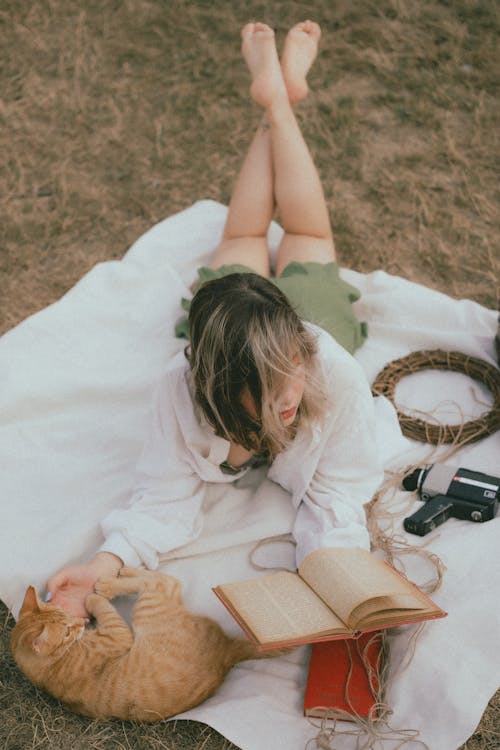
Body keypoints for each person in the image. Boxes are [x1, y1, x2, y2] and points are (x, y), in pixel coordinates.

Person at [47, 21, 383, 618]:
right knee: (246, 233)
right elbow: (161, 496)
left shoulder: (330, 374)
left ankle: (279, 96)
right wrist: (104, 566)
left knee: (304, 234)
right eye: (268, 397)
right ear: (219, 390)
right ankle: (278, 97)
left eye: (290, 382)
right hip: (231, 316)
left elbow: (340, 490)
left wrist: (336, 571)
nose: (288, 405)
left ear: (303, 355)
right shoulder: (183, 390)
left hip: (285, 316)